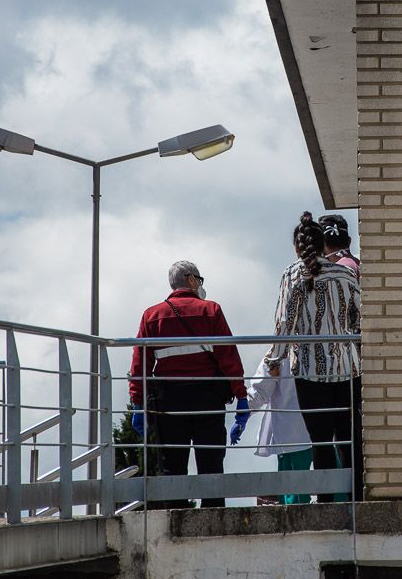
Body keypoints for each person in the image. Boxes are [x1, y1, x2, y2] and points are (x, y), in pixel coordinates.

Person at [128, 260, 249, 508]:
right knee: (211, 463)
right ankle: (214, 515)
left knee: (172, 467)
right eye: (199, 280)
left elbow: (139, 364)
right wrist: (241, 396)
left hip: (169, 401)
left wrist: (138, 403)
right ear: (192, 281)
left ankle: (175, 518)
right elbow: (228, 358)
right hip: (208, 398)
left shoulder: (152, 316)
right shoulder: (210, 310)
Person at [265, 212, 363, 502]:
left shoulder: (292, 275)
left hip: (310, 372)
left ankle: (327, 499)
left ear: (297, 247)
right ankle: (356, 496)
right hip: (348, 369)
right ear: (324, 245)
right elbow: (359, 318)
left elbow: (284, 324)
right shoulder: (344, 274)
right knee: (349, 440)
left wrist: (274, 361)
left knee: (320, 442)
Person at [247, 354, 313, 505]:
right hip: (318, 430)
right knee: (330, 483)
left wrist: (242, 413)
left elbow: (260, 391)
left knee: (294, 496)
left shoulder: (278, 352)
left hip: (291, 434)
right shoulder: (323, 346)